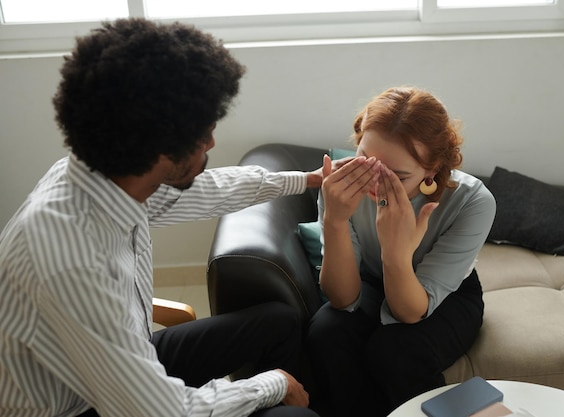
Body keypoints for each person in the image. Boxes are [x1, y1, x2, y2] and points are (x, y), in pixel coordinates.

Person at [0, 18, 378, 417]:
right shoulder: (69, 258)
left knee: (278, 322)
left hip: (116, 363)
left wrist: (309, 180)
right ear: (162, 147)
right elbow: (160, 412)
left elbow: (209, 189)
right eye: (205, 132)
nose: (212, 141)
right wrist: (272, 385)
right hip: (81, 407)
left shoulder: (104, 175)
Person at [305, 86, 497, 417]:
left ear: (433, 167)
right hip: (371, 278)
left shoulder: (472, 202)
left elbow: (410, 313)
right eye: (366, 161)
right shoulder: (340, 184)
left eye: (398, 176)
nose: (375, 183)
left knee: (397, 350)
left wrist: (396, 250)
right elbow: (342, 299)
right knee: (327, 331)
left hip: (446, 297)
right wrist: (335, 221)